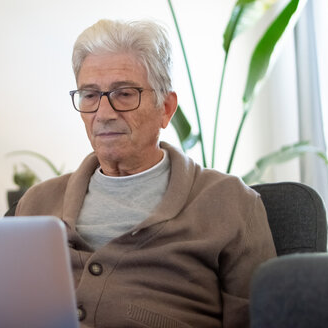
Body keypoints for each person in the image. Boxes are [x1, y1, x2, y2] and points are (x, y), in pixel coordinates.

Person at [15, 19, 276, 328]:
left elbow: (262, 322)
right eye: (89, 95)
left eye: (124, 94)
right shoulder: (38, 203)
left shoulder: (231, 203)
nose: (104, 113)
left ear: (165, 108)